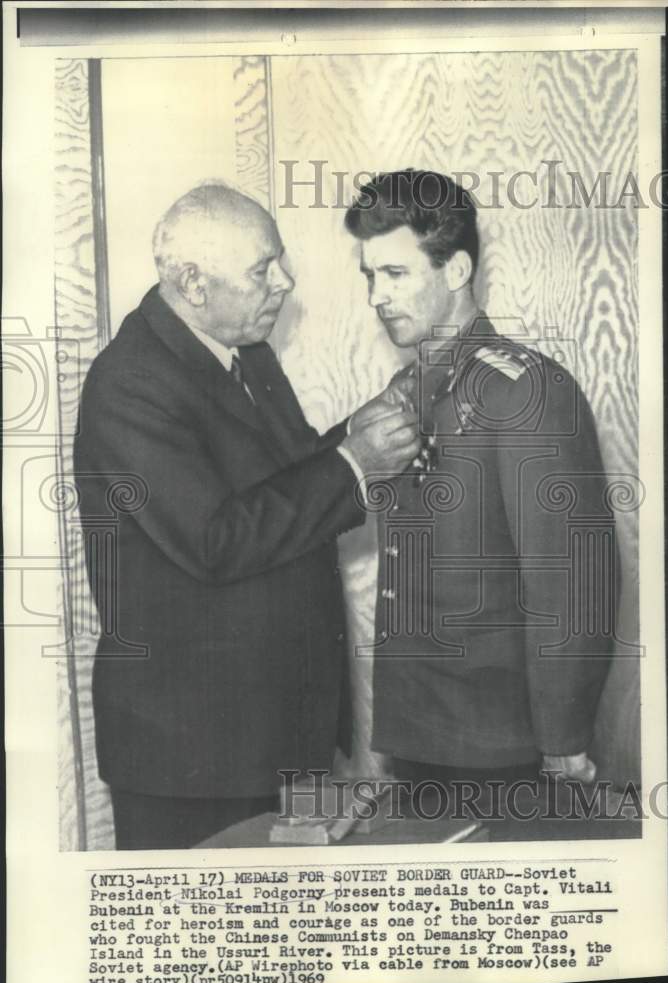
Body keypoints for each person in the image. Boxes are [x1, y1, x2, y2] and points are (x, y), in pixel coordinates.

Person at [74, 182, 419, 849]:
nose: (284, 283)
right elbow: (216, 539)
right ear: (193, 284)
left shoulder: (246, 354)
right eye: (262, 271)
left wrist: (360, 428)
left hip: (275, 730)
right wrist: (354, 463)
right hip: (189, 756)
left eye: (279, 262)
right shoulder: (129, 382)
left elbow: (280, 484)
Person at [344, 169, 618, 800]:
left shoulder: (525, 391)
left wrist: (563, 739)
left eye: (395, 274)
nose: (376, 297)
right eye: (369, 276)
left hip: (504, 744)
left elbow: (570, 580)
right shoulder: (404, 391)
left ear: (457, 271)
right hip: (416, 738)